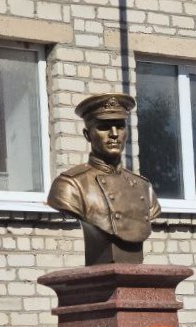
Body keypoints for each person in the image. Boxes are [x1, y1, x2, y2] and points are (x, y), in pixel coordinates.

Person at [47, 92, 161, 265]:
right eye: (104, 127)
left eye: (120, 126)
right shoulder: (70, 185)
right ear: (87, 135)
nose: (114, 134)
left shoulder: (144, 187)